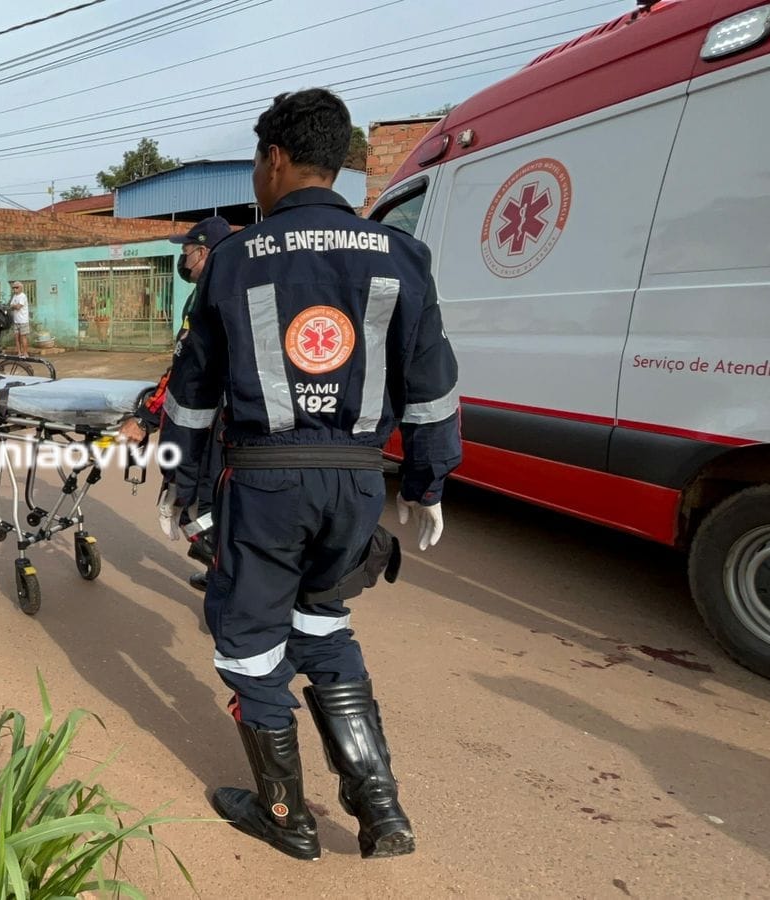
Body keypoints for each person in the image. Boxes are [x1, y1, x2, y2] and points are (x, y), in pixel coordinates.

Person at [157, 89, 460, 863]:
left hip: (265, 483)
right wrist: (427, 485)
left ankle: (286, 815)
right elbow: (430, 382)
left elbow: (193, 394)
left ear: (276, 159)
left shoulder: (231, 260)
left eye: (258, 163)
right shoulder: (402, 254)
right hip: (357, 486)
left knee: (251, 642)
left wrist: (179, 483)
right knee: (324, 622)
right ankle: (381, 808)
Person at [118, 215, 234, 593]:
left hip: (208, 429)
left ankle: (227, 584)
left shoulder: (209, 298)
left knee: (200, 509)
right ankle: (222, 574)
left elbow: (185, 370)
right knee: (216, 508)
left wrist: (144, 418)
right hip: (219, 424)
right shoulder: (224, 290)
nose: (183, 262)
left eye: (185, 254)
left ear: (202, 253)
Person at [8, 281, 31, 356]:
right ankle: (19, 352)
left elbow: (18, 307)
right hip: (16, 320)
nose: (15, 289)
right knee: (16, 337)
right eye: (13, 287)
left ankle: (25, 353)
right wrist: (14, 305)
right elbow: (10, 305)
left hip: (23, 320)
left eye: (16, 287)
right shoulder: (14, 296)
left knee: (23, 337)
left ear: (21, 288)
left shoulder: (23, 296)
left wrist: (13, 306)